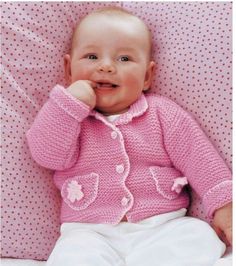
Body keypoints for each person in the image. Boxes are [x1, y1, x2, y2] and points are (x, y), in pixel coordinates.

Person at [26, 6, 232, 266]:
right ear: (68, 70)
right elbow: (47, 155)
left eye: (124, 59)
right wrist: (69, 104)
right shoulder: (68, 118)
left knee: (200, 235)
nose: (106, 66)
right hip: (90, 232)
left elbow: (200, 159)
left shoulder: (162, 114)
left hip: (163, 225)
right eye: (91, 56)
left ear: (147, 76)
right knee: (71, 256)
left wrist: (225, 206)